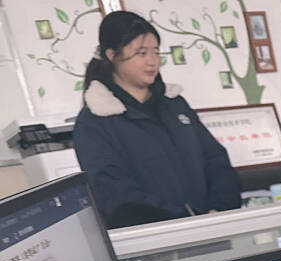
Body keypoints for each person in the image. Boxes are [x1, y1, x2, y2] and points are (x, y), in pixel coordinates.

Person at [73, 11, 241, 229]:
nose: (152, 61)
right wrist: (183, 221)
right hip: (154, 239)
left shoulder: (175, 104)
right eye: (141, 53)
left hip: (211, 227)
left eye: (156, 52)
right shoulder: (95, 121)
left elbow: (216, 161)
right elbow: (114, 194)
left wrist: (218, 209)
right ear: (112, 55)